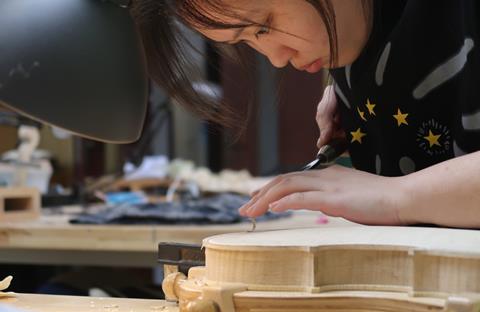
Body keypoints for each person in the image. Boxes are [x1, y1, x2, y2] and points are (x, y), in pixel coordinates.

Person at [131, 0, 480, 228]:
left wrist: (397, 196)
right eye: (248, 41)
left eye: (263, 26)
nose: (278, 58)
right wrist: (367, 93)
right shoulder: (351, 30)